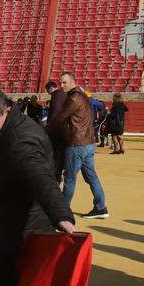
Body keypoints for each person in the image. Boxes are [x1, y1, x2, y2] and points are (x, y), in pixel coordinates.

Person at [0, 89, 76, 286]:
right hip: (10, 222)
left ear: (5, 111)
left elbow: (40, 177)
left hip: (27, 228)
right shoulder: (4, 128)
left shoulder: (21, 140)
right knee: (4, 282)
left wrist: (61, 215)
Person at [47, 72, 108, 220]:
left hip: (76, 144)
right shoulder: (83, 96)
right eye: (60, 83)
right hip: (88, 143)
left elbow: (60, 118)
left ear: (73, 82)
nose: (61, 86)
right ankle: (101, 208)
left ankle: (62, 212)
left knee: (69, 179)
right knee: (91, 177)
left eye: (64, 83)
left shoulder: (73, 98)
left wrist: (44, 130)